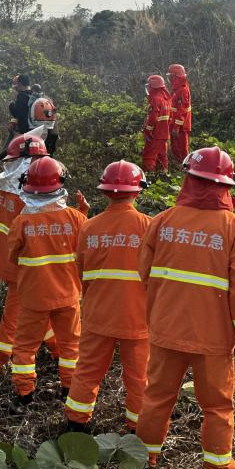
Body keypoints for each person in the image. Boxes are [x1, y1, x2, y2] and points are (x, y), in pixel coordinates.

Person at [134, 146, 235, 469]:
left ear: (189, 178)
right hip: (213, 340)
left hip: (164, 331)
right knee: (218, 408)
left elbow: (143, 274)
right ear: (226, 186)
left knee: (156, 399)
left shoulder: (162, 221)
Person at [64, 160, 151, 433]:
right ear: (137, 190)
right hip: (137, 318)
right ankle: (137, 431)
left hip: (98, 314)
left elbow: (81, 271)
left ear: (104, 191)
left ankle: (76, 427)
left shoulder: (89, 228)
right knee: (139, 378)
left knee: (87, 370)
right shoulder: (149, 227)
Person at [7, 156, 89, 410]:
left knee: (25, 347)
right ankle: (69, 390)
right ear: (59, 184)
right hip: (68, 296)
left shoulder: (22, 222)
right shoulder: (76, 218)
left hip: (33, 297)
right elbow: (85, 247)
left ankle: (25, 393)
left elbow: (12, 256)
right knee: (71, 346)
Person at [0, 134, 59, 377]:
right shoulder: (28, 199)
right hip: (24, 269)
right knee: (12, 322)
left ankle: (58, 350)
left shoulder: (1, 189)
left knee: (44, 311)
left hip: (6, 264)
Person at [142, 74, 171, 175]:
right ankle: (164, 174)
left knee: (149, 155)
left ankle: (148, 175)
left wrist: (148, 130)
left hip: (156, 133)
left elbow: (153, 117)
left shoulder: (155, 99)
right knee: (162, 155)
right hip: (164, 133)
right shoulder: (166, 98)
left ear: (152, 87)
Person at [168, 64, 192, 163]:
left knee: (182, 148)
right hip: (175, 123)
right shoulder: (178, 88)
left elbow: (182, 110)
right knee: (175, 146)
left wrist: (177, 126)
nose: (169, 78)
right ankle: (179, 165)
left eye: (171, 76)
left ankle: (185, 167)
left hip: (181, 125)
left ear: (175, 76)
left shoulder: (182, 89)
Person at [28, 83, 59, 155]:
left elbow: (29, 107)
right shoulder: (48, 99)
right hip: (52, 131)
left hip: (40, 130)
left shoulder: (34, 99)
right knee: (49, 153)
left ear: (33, 90)